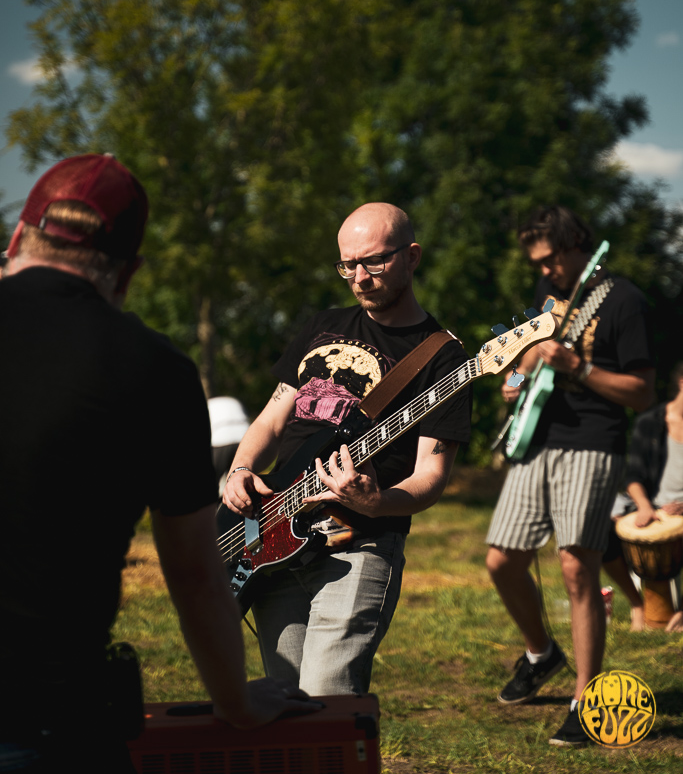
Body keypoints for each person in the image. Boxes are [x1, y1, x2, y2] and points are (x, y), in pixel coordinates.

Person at [0, 154, 313, 774]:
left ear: (15, 238)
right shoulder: (155, 370)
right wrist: (237, 704)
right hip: (47, 718)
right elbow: (195, 573)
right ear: (129, 274)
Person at [223, 202, 472, 695]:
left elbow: (431, 476)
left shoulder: (442, 357)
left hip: (360, 543)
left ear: (411, 256)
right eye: (347, 265)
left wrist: (377, 501)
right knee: (286, 698)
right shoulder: (322, 325)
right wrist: (239, 470)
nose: (359, 277)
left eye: (373, 262)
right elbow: (272, 418)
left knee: (328, 695)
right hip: (271, 533)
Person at [485, 206, 655, 747]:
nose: (544, 270)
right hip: (536, 438)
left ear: (577, 243)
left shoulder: (623, 300)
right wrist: (517, 379)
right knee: (502, 559)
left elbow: (642, 393)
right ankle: (542, 653)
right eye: (536, 262)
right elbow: (529, 357)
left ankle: (586, 700)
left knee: (577, 567)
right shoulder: (548, 291)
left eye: (550, 259)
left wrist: (579, 368)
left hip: (593, 442)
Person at [621, 360, 683, 632]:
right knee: (604, 519)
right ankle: (638, 605)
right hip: (654, 508)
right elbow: (633, 477)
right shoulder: (651, 422)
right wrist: (645, 507)